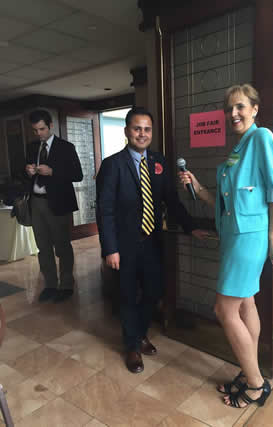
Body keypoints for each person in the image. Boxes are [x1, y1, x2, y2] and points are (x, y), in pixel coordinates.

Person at [179, 84, 273, 408]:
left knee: (223, 309)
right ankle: (250, 369)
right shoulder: (239, 149)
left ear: (255, 108)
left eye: (240, 107)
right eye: (229, 109)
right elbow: (226, 203)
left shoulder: (261, 138)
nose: (233, 114)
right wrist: (198, 189)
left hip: (249, 237)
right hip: (234, 236)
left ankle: (256, 385)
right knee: (245, 305)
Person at [96, 107, 207, 374]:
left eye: (147, 129)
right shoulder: (113, 165)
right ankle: (132, 345)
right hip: (123, 245)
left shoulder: (158, 161)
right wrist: (110, 249)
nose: (142, 134)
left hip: (152, 241)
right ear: (126, 132)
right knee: (126, 296)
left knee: (154, 291)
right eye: (137, 128)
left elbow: (171, 199)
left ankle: (140, 333)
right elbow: (105, 210)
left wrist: (190, 226)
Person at [25, 110, 83, 303]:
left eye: (41, 128)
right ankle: (50, 285)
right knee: (43, 247)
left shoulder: (66, 147)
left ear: (50, 125)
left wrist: (53, 172)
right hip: (36, 202)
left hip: (58, 203)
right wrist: (28, 171)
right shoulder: (32, 147)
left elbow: (77, 175)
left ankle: (66, 285)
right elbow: (23, 172)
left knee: (62, 246)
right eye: (35, 130)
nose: (39, 133)